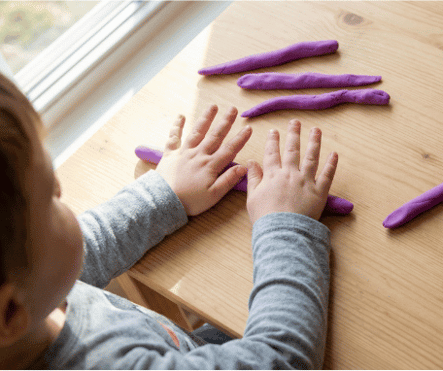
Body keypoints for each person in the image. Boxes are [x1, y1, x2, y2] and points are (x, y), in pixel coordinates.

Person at [0, 72, 338, 369]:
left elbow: (90, 245)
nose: (61, 187)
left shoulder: (31, 296)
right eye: (51, 197)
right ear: (9, 313)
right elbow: (281, 360)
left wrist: (164, 195)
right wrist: (285, 227)